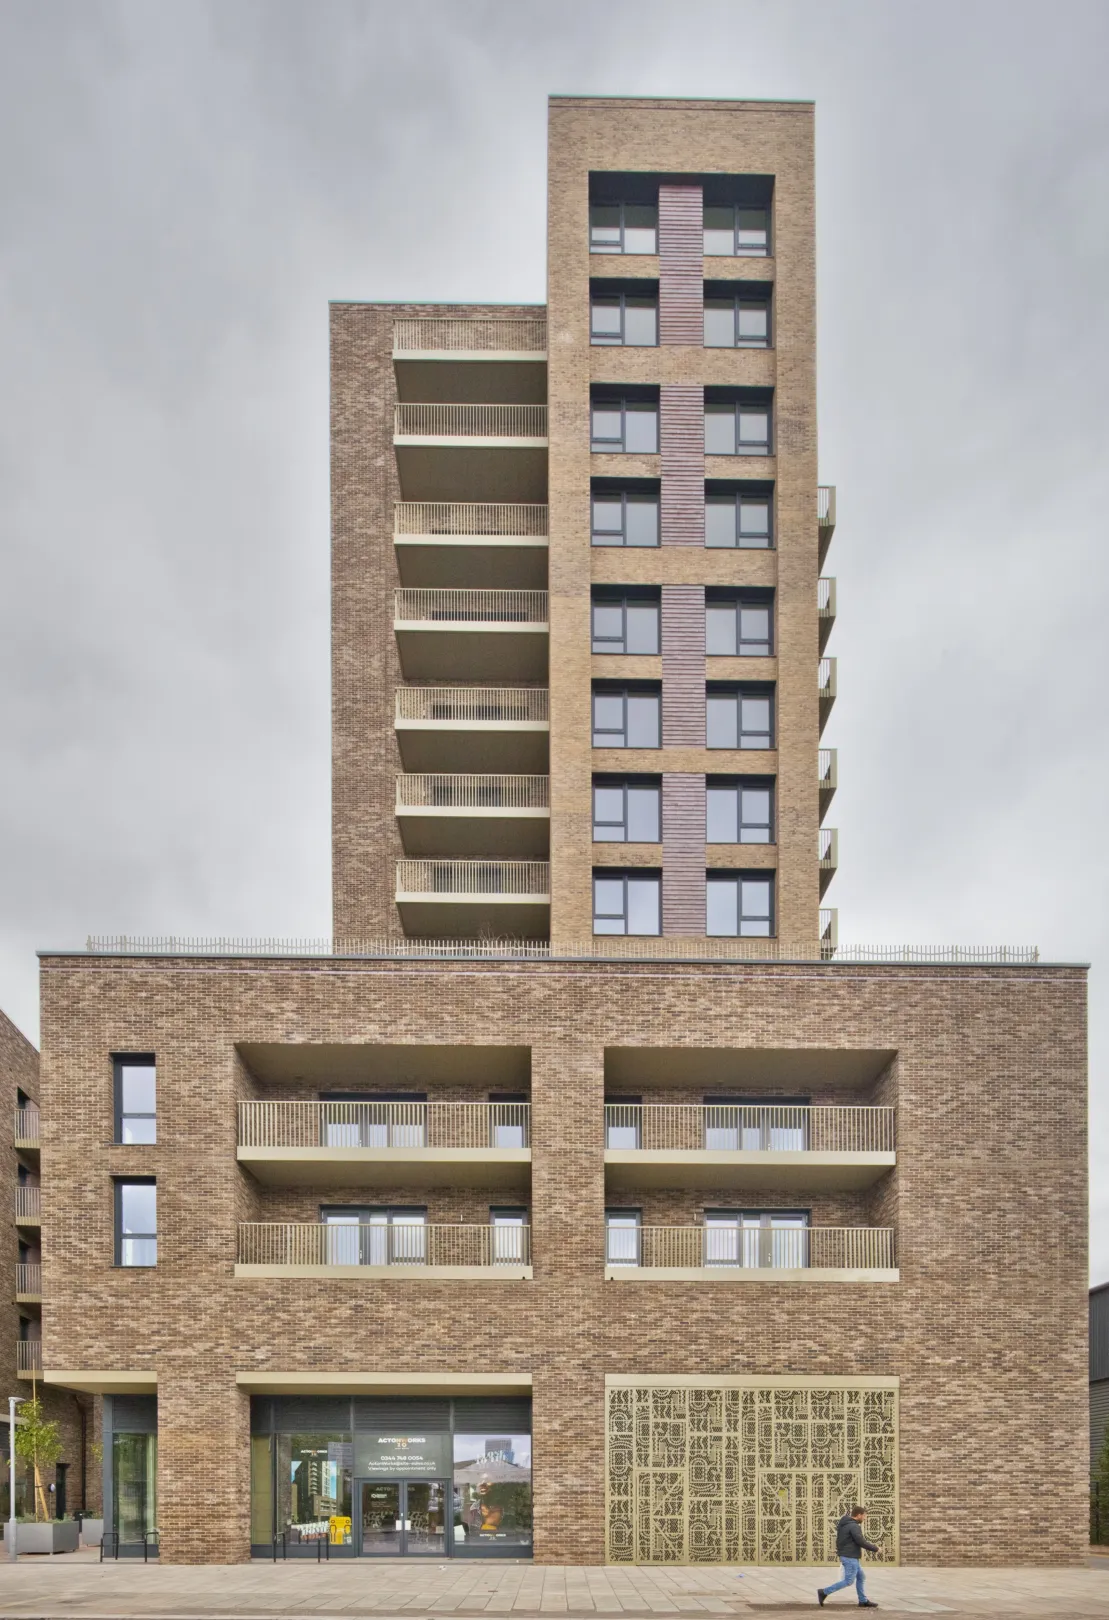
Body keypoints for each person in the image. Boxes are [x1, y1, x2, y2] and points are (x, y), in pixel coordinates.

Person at [817, 1505, 879, 1607]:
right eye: (864, 1516)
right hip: (850, 1557)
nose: (865, 1518)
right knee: (848, 1581)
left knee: (861, 1577)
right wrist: (875, 1549)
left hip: (850, 1556)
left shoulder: (845, 1524)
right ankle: (824, 1592)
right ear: (859, 1515)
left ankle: (863, 1600)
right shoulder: (854, 1526)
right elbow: (861, 1541)